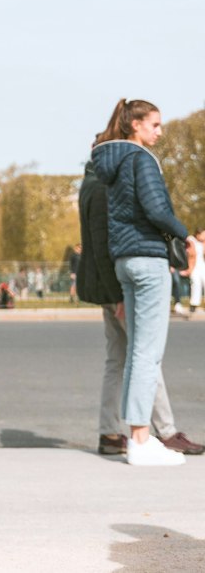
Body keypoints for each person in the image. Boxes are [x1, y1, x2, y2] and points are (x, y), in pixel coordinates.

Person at [77, 151, 202, 457]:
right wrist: (117, 294)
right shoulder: (108, 185)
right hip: (116, 287)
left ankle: (109, 432)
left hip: (104, 285)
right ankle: (165, 431)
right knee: (145, 356)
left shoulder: (90, 182)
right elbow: (106, 240)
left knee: (118, 359)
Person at [189, 231, 205, 315]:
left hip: (202, 265)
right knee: (196, 284)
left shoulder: (202, 243)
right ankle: (193, 304)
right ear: (198, 234)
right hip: (194, 266)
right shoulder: (191, 239)